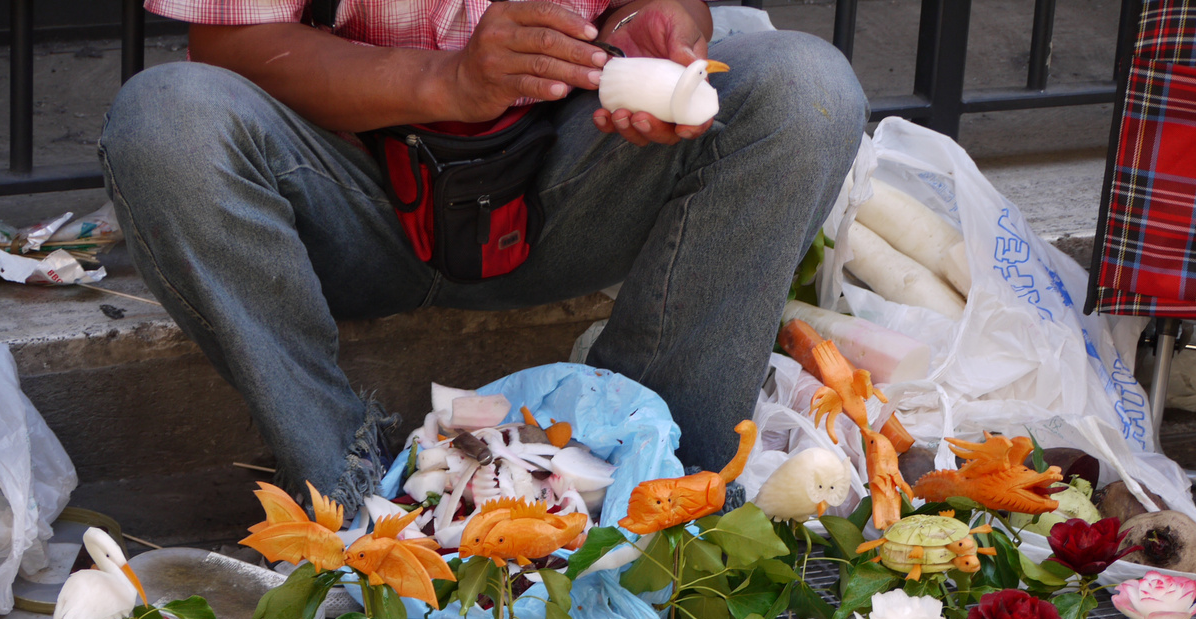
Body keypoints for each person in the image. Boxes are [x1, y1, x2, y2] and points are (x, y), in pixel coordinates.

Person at [101, 0, 866, 515]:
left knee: (804, 88)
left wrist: (653, 26)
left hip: (567, 185)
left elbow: (670, 8)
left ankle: (658, 498)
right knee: (167, 120)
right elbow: (229, 47)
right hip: (343, 198)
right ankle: (353, 513)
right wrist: (446, 79)